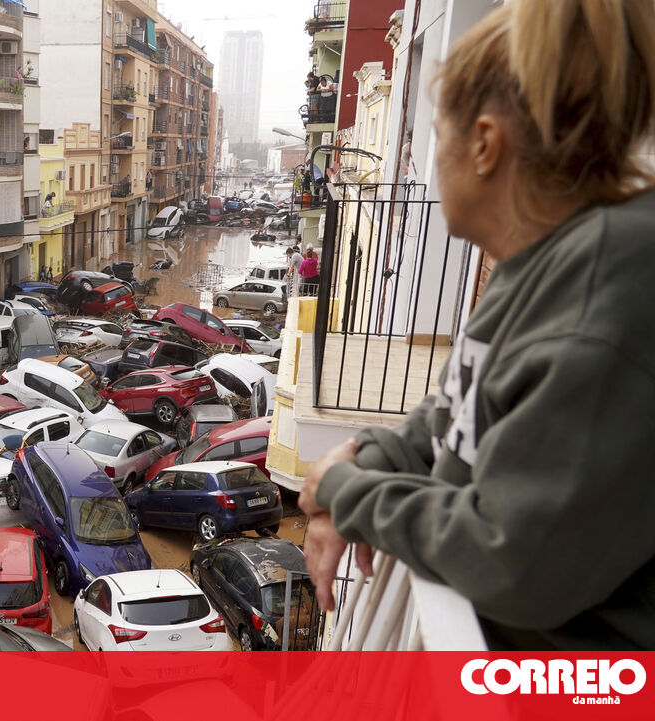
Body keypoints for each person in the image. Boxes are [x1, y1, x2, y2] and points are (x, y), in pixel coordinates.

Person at [298, 0, 655, 650]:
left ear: (486, 144)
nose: (427, 160)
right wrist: (365, 463)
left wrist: (348, 492)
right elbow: (452, 412)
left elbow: (513, 556)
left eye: (434, 134)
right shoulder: (536, 264)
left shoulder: (610, 280)